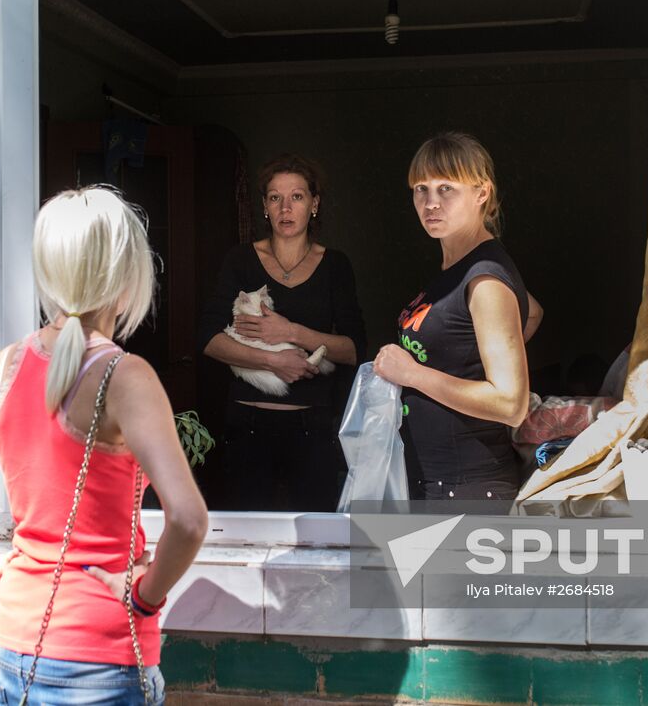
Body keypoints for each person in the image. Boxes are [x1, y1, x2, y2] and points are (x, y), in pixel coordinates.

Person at [0, 188, 208, 705]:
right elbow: (188, 520)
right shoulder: (127, 376)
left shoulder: (7, 367)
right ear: (125, 275)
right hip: (104, 662)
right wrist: (144, 600)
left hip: (12, 657)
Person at [199, 153, 366, 512]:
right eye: (275, 197)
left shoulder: (336, 266)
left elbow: (354, 349)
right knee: (247, 535)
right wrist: (273, 361)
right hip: (248, 425)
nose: (285, 208)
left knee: (317, 540)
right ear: (264, 206)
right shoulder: (240, 260)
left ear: (314, 204)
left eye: (297, 197)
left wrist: (289, 330)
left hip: (313, 427)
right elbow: (208, 338)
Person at [373, 132, 535, 502]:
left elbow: (511, 404)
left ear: (481, 193)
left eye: (446, 188)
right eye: (420, 189)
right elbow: (533, 312)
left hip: (468, 489)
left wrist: (412, 374)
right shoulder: (458, 270)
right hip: (433, 483)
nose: (430, 203)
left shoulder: (485, 279)